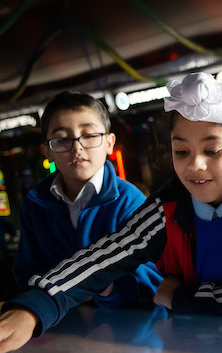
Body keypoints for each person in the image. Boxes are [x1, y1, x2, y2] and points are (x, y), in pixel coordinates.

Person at [0, 72, 222, 353]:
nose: (195, 165)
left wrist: (181, 297)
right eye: (181, 152)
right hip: (189, 351)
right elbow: (103, 257)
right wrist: (35, 306)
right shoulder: (164, 208)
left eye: (212, 151)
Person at [12, 90, 162, 307]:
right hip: (60, 322)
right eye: (62, 139)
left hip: (127, 323)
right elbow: (26, 271)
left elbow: (151, 279)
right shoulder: (35, 204)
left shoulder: (130, 201)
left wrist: (97, 287)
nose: (77, 147)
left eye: (89, 135)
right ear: (48, 151)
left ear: (109, 143)